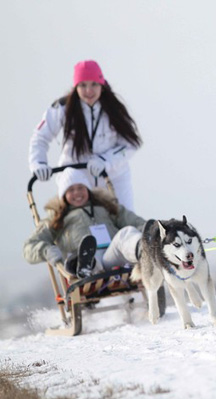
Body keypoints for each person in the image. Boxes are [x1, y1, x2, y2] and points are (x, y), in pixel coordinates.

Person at [29, 60, 142, 211]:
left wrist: (104, 161)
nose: (89, 90)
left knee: (125, 222)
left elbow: (130, 144)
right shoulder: (63, 108)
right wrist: (38, 163)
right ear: (76, 87)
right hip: (76, 179)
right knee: (75, 223)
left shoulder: (113, 108)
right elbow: (40, 137)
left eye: (94, 84)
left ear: (101, 84)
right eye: (83, 85)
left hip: (112, 178)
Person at [23, 168, 146, 278]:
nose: (77, 193)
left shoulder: (107, 207)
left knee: (126, 233)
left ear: (88, 189)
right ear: (63, 195)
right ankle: (86, 266)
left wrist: (149, 233)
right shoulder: (57, 217)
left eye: (81, 187)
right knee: (85, 253)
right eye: (71, 189)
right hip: (83, 261)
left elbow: (137, 222)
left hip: (112, 258)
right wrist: (46, 251)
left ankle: (144, 251)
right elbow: (29, 246)